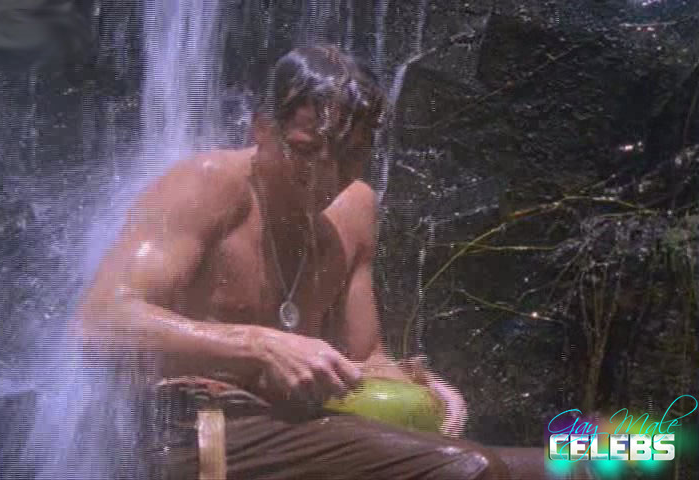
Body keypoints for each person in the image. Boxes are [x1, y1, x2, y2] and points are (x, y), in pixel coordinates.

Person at [78, 45, 588, 480]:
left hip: (298, 427)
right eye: (307, 151)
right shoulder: (206, 184)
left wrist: (419, 387)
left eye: (350, 155)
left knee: (571, 466)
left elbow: (366, 357)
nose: (327, 175)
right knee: (469, 470)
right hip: (188, 427)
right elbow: (99, 324)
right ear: (262, 128)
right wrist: (258, 344)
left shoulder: (356, 208)